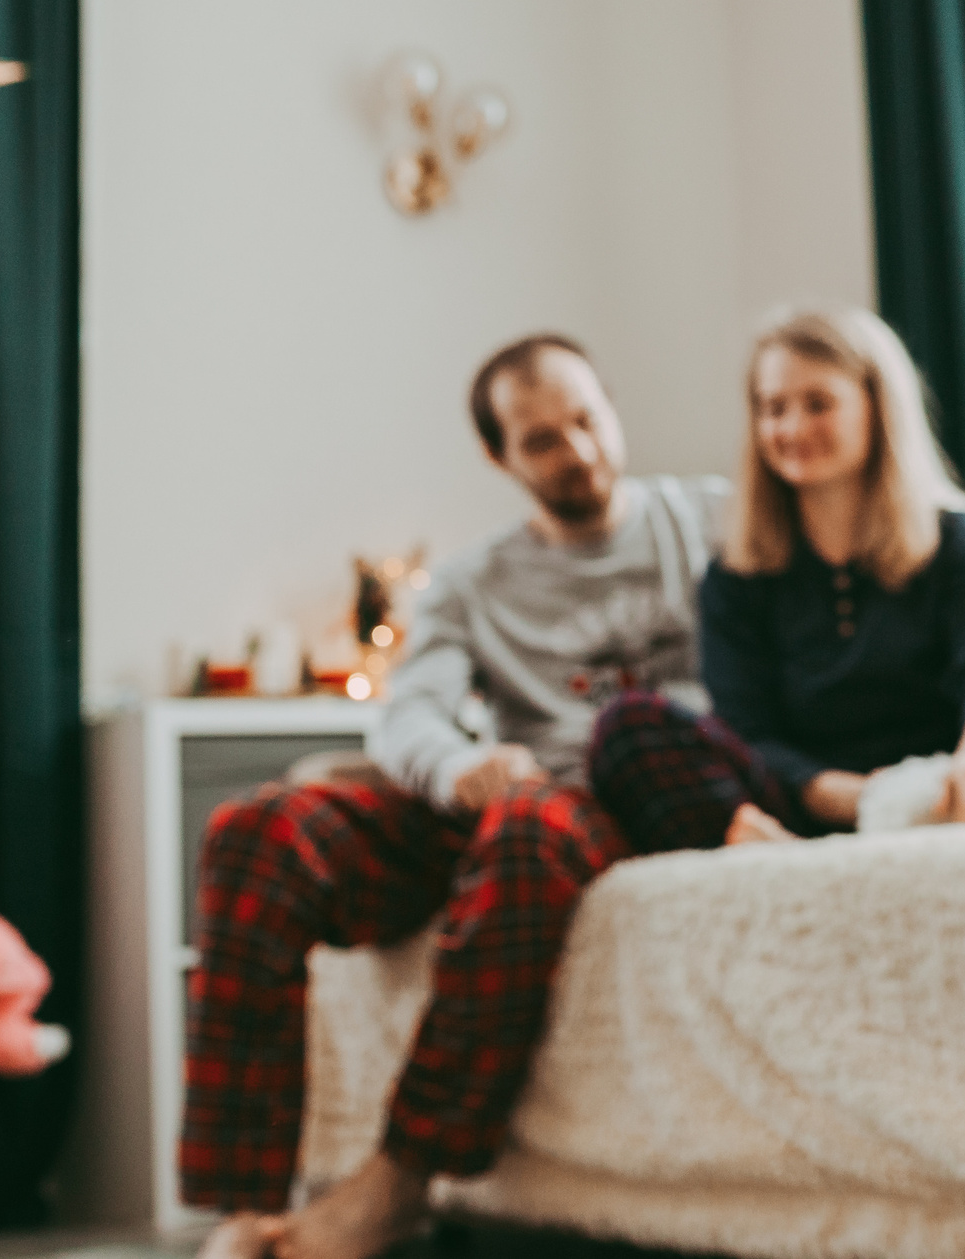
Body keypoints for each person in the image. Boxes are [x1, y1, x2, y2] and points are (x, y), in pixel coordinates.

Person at [181, 334, 725, 1259]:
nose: (578, 452)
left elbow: (915, 524)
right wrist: (454, 767)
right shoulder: (473, 581)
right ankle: (247, 1208)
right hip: (500, 788)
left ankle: (400, 1178)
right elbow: (410, 712)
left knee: (525, 830)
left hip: (625, 794)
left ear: (611, 407)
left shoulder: (709, 517)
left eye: (587, 420)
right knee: (256, 831)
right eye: (542, 438)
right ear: (500, 456)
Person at [587, 307, 965, 849]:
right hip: (807, 797)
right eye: (774, 408)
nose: (792, 428)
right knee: (626, 727)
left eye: (818, 404)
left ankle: (958, 812)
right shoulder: (734, 575)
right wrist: (862, 798)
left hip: (952, 777)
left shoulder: (956, 541)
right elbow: (749, 731)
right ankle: (769, 841)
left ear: (877, 408)